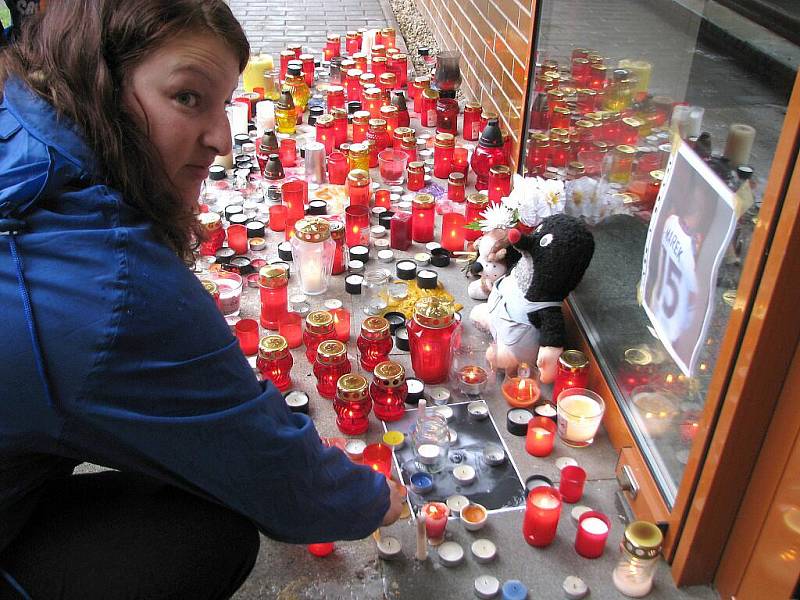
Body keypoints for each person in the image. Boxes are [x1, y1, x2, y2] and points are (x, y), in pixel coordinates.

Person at [0, 1, 402, 598]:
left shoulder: (18, 106)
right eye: (187, 97)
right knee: (209, 533)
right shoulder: (115, 288)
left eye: (224, 105)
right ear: (100, 82)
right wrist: (376, 498)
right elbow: (273, 475)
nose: (222, 140)